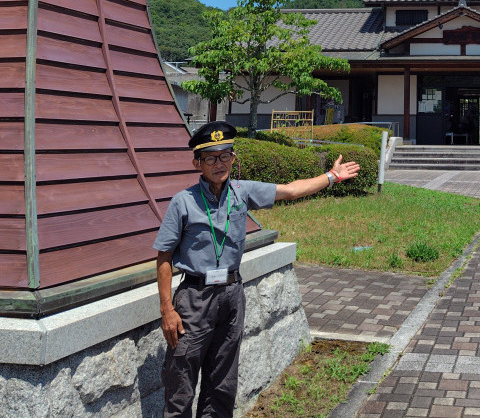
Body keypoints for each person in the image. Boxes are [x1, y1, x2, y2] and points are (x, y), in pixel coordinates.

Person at [154, 120, 361, 418]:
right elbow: (164, 257)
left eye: (225, 155)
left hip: (231, 294)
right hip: (194, 299)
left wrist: (331, 177)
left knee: (222, 381)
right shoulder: (183, 202)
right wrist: (167, 309)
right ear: (197, 163)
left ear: (233, 158)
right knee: (181, 382)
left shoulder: (242, 191)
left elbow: (290, 190)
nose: (219, 163)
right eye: (210, 158)